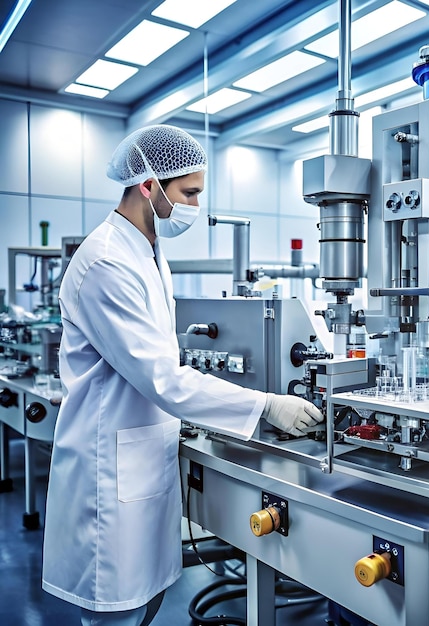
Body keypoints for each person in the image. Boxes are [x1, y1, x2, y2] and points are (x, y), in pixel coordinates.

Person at [41, 124, 323, 626]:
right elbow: (163, 379)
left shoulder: (147, 251)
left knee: (145, 603)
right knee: (116, 613)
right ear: (148, 185)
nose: (195, 205)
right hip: (109, 466)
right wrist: (263, 405)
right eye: (188, 193)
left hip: (144, 453)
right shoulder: (106, 261)